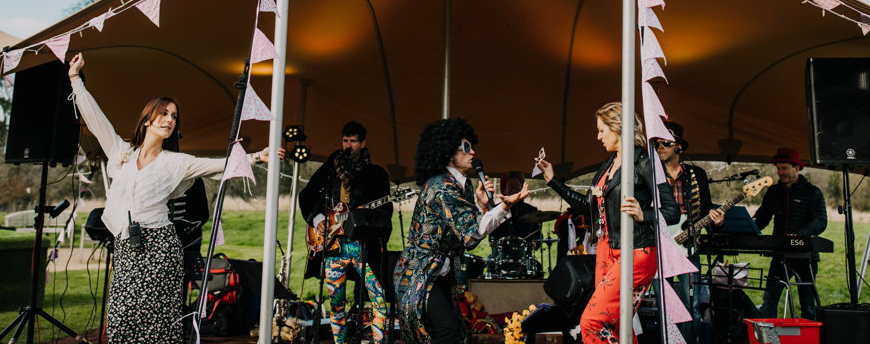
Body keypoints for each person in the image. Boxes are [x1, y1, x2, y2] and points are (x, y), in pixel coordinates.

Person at [67, 53, 280, 343]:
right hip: (127, 246)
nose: (169, 119)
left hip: (161, 247)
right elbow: (94, 118)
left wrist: (256, 156)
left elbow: (219, 165)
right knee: (121, 317)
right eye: (164, 113)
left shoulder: (176, 162)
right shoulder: (121, 152)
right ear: (148, 118)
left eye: (174, 116)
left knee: (157, 322)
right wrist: (75, 79)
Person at [537, 102, 680, 344]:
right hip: (607, 251)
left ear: (619, 128)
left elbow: (672, 211)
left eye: (602, 130)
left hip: (636, 252)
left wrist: (644, 214)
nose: (598, 136)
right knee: (618, 324)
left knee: (592, 322)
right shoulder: (608, 165)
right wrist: (554, 181)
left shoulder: (645, 161)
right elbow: (588, 207)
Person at [394, 118, 529, 344]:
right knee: (447, 331)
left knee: (455, 333)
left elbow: (467, 239)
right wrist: (505, 206)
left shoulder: (460, 185)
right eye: (466, 147)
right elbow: (472, 231)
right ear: (449, 152)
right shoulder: (442, 186)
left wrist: (480, 205)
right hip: (421, 274)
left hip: (439, 274)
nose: (473, 151)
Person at [298, 121, 392, 344]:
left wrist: (363, 220)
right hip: (333, 246)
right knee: (335, 300)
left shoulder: (375, 174)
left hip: (362, 246)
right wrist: (319, 218)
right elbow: (307, 195)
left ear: (363, 143)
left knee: (378, 297)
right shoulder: (331, 169)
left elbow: (384, 211)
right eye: (345, 140)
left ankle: (378, 340)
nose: (348, 145)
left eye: (353, 141)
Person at [656, 122, 722, 343]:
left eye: (665, 143)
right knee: (664, 305)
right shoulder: (652, 175)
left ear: (679, 147)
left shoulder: (697, 174)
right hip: (661, 245)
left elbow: (707, 208)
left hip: (688, 245)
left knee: (691, 305)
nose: (660, 148)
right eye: (657, 144)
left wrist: (716, 220)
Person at [753, 147, 828, 321]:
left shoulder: (812, 192)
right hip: (779, 255)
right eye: (778, 169)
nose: (780, 173)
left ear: (797, 168)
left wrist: (799, 234)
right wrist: (747, 226)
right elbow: (762, 217)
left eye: (784, 168)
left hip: (805, 257)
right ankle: (769, 339)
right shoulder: (774, 191)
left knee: (808, 305)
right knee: (769, 300)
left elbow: (820, 221)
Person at [488, 171, 542, 244]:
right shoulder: (496, 210)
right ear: (505, 190)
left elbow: (538, 236)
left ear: (521, 188)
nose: (514, 186)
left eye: (516, 184)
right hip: (502, 252)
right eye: (511, 185)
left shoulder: (532, 210)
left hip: (525, 253)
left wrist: (535, 244)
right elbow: (492, 237)